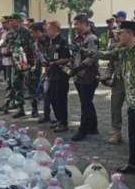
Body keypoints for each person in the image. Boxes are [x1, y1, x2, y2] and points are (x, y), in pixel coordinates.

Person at [74, 20, 135, 173]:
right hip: (133, 103)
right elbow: (104, 54)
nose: (118, 36)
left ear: (129, 33)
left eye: (121, 33)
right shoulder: (123, 51)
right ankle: (134, 164)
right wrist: (81, 50)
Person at [0, 13, 35, 118]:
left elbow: (33, 48)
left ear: (19, 21)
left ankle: (34, 109)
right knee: (16, 85)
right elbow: (0, 45)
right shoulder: (9, 34)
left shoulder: (27, 32)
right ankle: (20, 109)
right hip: (15, 64)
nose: (11, 23)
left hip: (26, 63)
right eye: (10, 21)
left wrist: (35, 64)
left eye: (13, 21)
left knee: (30, 85)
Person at [65, 14, 100, 142]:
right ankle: (93, 126)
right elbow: (74, 56)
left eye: (76, 24)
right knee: (86, 102)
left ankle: (83, 130)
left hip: (89, 76)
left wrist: (76, 69)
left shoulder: (91, 38)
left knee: (85, 103)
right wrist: (70, 67)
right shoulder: (77, 39)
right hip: (78, 76)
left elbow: (91, 58)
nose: (75, 27)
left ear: (84, 23)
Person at [44, 20, 71, 132]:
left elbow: (67, 58)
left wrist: (53, 63)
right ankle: (58, 120)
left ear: (55, 29)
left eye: (48, 29)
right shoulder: (50, 42)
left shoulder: (62, 41)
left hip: (61, 75)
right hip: (52, 75)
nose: (46, 31)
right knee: (52, 98)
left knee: (60, 99)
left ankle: (63, 122)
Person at [104, 17, 125, 144]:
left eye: (119, 34)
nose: (117, 36)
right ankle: (117, 132)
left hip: (132, 82)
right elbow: (110, 64)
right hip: (117, 81)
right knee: (115, 107)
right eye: (116, 34)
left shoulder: (133, 47)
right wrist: (106, 76)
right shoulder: (113, 47)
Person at [0, 16, 14, 112]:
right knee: (9, 82)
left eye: (5, 22)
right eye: (2, 23)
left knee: (12, 83)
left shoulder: (13, 33)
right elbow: (0, 46)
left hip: (13, 61)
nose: (3, 24)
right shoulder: (4, 33)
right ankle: (10, 103)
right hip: (5, 60)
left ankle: (9, 103)